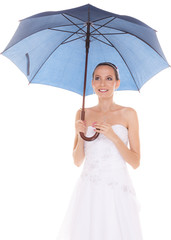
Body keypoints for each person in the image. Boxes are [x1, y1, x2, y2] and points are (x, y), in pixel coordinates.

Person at [56, 62, 143, 240]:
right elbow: (77, 161)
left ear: (117, 83)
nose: (103, 84)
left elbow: (135, 162)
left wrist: (113, 136)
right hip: (89, 190)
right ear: (92, 83)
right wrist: (80, 134)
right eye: (98, 78)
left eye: (109, 78)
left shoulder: (129, 114)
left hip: (116, 189)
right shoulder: (82, 113)